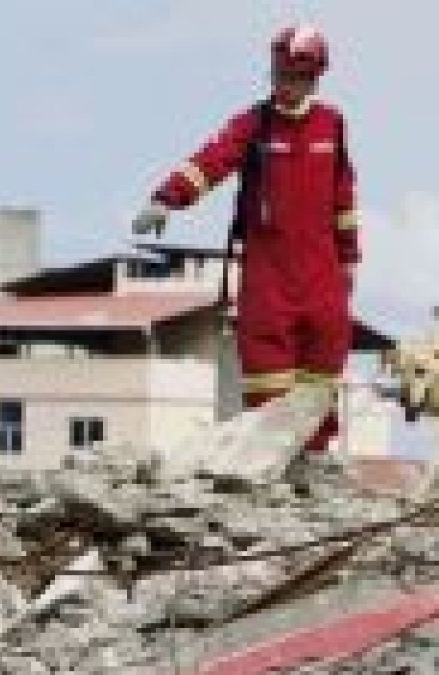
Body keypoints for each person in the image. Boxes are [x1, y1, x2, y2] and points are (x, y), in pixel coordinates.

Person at [133, 23, 360, 484]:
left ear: (316, 77)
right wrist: (167, 199)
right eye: (280, 75)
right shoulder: (253, 125)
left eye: (297, 78)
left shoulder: (331, 124)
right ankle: (268, 468)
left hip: (322, 273)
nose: (287, 86)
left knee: (323, 369)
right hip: (268, 274)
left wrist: (349, 258)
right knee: (268, 377)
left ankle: (314, 463)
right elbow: (211, 161)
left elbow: (344, 196)